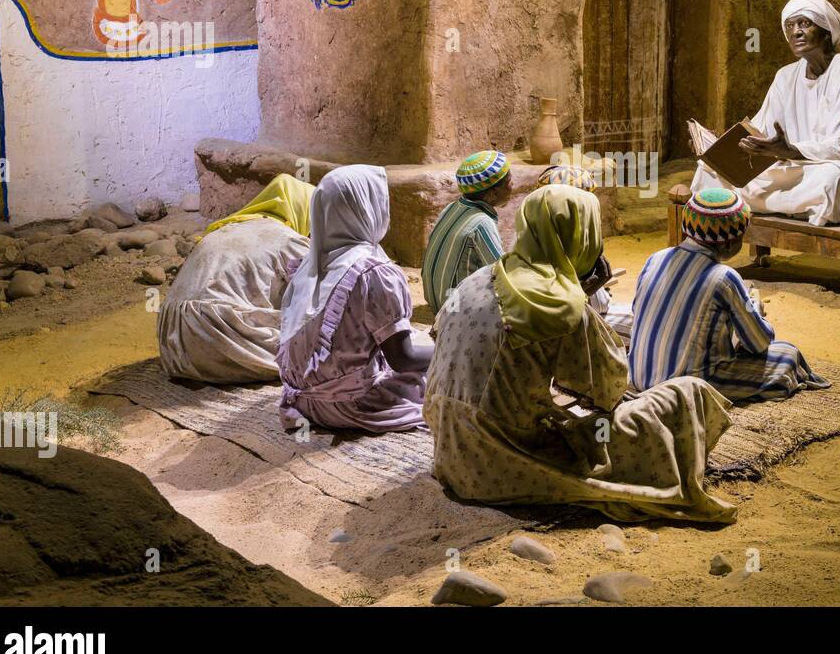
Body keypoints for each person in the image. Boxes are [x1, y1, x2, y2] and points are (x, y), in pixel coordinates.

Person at [425, 185, 736, 523]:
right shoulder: (559, 306)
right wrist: (583, 299)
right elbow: (609, 390)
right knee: (687, 393)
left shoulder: (478, 279)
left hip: (452, 451)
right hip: (502, 461)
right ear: (582, 235)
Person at [691, 0, 840, 225]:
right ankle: (782, 205)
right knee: (709, 171)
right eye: (789, 26)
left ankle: (752, 202)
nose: (795, 32)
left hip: (839, 170)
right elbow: (759, 130)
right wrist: (720, 146)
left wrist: (788, 150)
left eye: (805, 23)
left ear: (826, 31)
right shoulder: (785, 76)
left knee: (831, 181)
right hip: (790, 167)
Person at [629, 187, 827, 402]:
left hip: (639, 379)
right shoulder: (724, 277)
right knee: (788, 355)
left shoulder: (655, 258)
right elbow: (759, 343)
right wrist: (756, 313)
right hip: (686, 390)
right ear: (729, 242)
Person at [277, 165, 431, 433]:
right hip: (349, 405)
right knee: (448, 373)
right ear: (365, 209)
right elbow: (403, 359)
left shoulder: (311, 264)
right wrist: (448, 352)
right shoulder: (373, 273)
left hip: (301, 401)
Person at [158, 174, 315, 384]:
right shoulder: (289, 240)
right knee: (328, 346)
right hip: (218, 336)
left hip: (174, 347)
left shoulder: (227, 227)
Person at [537, 163, 633, 341]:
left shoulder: (533, 233)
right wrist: (595, 287)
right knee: (637, 323)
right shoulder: (576, 243)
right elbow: (596, 306)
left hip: (577, 315)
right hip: (573, 327)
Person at [421, 150, 512, 314]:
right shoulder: (482, 223)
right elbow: (501, 275)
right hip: (453, 312)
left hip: (437, 300)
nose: (512, 186)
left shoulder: (452, 207)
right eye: (509, 182)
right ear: (493, 193)